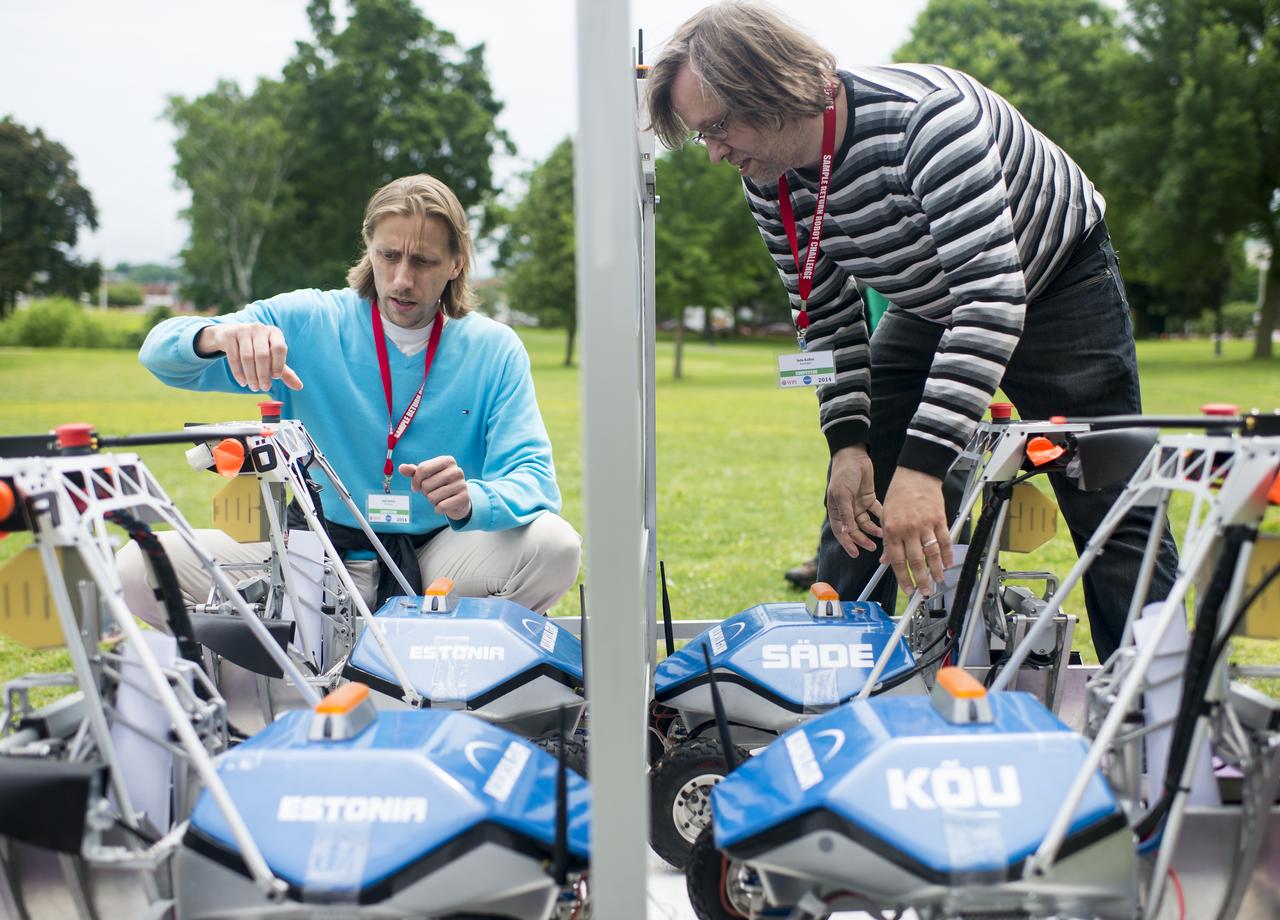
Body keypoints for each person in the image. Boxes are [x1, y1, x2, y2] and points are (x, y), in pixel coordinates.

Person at [646, 1, 1177, 659]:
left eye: (718, 127)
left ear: (770, 88)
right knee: (858, 494)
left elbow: (989, 301)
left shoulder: (926, 122)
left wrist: (924, 470)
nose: (715, 153)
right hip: (928, 301)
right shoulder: (770, 179)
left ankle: (1152, 710)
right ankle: (839, 675)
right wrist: (848, 442)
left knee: (1107, 495)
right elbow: (824, 315)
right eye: (704, 135)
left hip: (1052, 278)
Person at [119, 174, 580, 624]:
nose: (401, 279)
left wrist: (471, 500)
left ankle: (431, 659)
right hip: (312, 553)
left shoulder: (494, 349)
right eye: (388, 255)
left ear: (457, 263)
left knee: (556, 547)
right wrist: (218, 335)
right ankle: (285, 669)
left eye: (422, 261)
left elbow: (534, 481)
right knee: (138, 567)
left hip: (440, 558)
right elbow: (159, 353)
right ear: (368, 250)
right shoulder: (306, 321)